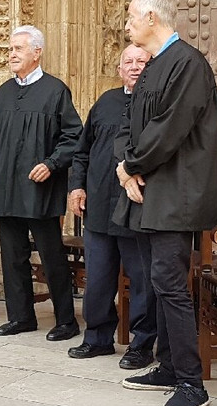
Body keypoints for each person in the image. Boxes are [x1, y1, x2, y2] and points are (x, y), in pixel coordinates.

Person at [114, 0, 217, 406]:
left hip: (176, 193)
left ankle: (192, 381)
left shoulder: (187, 62)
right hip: (154, 190)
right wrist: (128, 167)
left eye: (132, 15)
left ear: (152, 17)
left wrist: (132, 165)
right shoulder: (156, 64)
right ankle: (169, 367)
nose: (126, 23)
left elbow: (170, 128)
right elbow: (135, 123)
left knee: (170, 283)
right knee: (157, 281)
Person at [0, 25, 82, 341]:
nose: (12, 54)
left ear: (37, 52)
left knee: (52, 257)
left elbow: (74, 136)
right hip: (6, 187)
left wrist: (51, 164)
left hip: (39, 190)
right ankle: (21, 317)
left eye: (18, 48)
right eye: (10, 49)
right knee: (13, 256)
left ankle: (66, 320)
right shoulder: (5, 91)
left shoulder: (55, 91)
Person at [66, 45, 158, 370]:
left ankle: (142, 345)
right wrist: (76, 186)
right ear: (119, 69)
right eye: (128, 62)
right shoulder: (105, 102)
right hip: (99, 209)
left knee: (142, 280)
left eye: (141, 61)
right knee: (99, 278)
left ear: (152, 66)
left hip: (136, 209)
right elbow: (82, 150)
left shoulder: (158, 105)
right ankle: (97, 338)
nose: (134, 67)